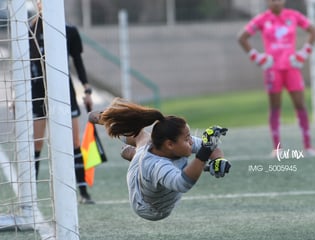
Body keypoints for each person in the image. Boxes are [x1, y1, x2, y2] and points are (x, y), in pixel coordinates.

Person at [89, 98, 231, 221]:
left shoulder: (175, 144)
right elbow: (182, 184)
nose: (192, 142)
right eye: (187, 138)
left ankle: (109, 121)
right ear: (170, 144)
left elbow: (213, 148)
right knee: (141, 141)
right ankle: (115, 131)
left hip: (149, 161)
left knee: (142, 138)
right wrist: (205, 152)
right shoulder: (156, 166)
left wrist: (218, 159)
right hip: (146, 207)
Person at [29, 1, 95, 204]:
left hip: (64, 92)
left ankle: (83, 192)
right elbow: (24, 66)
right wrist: (17, 95)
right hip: (39, 92)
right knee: (37, 143)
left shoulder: (69, 31)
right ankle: (30, 195)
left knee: (74, 142)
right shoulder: (29, 31)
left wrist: (86, 89)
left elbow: (78, 61)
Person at [238, 0, 315, 156]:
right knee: (275, 107)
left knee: (300, 104)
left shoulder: (293, 16)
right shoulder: (262, 19)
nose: (276, 2)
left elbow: (314, 31)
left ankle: (308, 146)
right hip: (272, 70)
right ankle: (277, 148)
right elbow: (242, 37)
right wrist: (257, 57)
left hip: (291, 68)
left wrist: (303, 54)